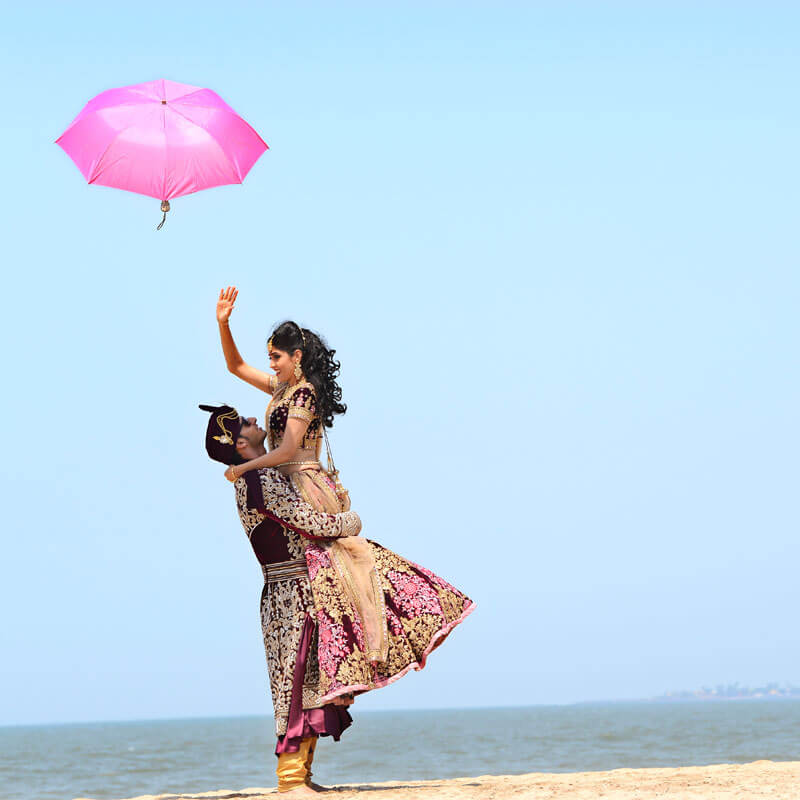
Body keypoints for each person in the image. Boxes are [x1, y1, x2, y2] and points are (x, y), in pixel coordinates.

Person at [212, 286, 476, 791]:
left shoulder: (303, 394)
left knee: (347, 577)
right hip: (288, 484)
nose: (270, 364)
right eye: (269, 357)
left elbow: (289, 449)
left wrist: (246, 465)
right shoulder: (281, 390)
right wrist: (224, 323)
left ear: (297, 357)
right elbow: (233, 366)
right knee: (332, 590)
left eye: (276, 357)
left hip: (304, 482)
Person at [200, 403, 361, 795]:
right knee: (296, 681)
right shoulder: (258, 480)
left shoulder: (261, 475)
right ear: (240, 443)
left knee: (310, 679)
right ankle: (290, 779)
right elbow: (306, 522)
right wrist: (349, 522)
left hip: (294, 588)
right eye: (245, 423)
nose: (255, 420)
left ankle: (300, 775)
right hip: (291, 594)